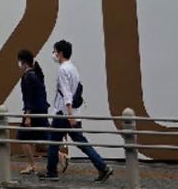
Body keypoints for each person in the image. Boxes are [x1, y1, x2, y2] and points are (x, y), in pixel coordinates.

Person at [40, 40, 113, 183]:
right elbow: (77, 90)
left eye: (55, 51)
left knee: (53, 142)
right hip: (73, 113)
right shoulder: (73, 68)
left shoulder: (62, 69)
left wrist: (69, 114)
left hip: (64, 114)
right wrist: (73, 114)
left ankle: (52, 172)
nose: (54, 54)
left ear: (60, 53)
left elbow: (66, 94)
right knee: (81, 142)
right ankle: (102, 167)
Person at [16, 48, 52, 175]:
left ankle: (32, 165)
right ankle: (59, 157)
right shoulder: (36, 74)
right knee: (40, 138)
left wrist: (27, 116)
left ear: (24, 62)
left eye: (19, 61)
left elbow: (28, 98)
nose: (18, 64)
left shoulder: (27, 77)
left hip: (33, 112)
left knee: (23, 138)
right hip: (40, 110)